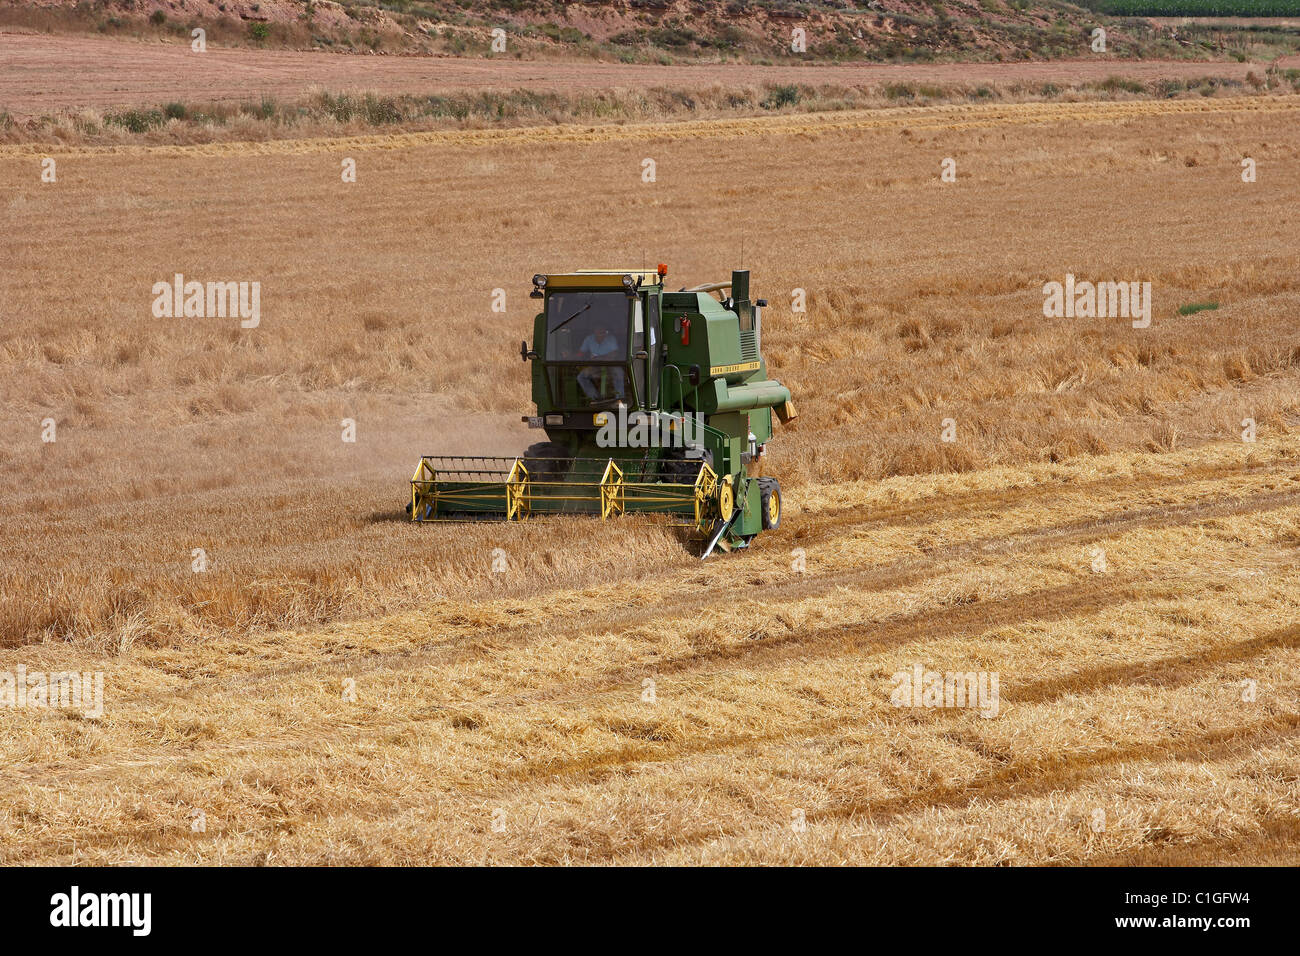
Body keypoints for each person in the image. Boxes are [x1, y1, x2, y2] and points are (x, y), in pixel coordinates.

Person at [576, 326, 625, 401]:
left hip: (611, 364)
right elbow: (581, 353)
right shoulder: (589, 339)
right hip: (595, 365)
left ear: (606, 332)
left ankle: (619, 399)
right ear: (594, 331)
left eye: (602, 331)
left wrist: (599, 357)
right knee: (581, 377)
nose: (600, 333)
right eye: (598, 330)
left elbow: (614, 354)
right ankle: (594, 398)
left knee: (619, 374)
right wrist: (571, 356)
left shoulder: (611, 339)